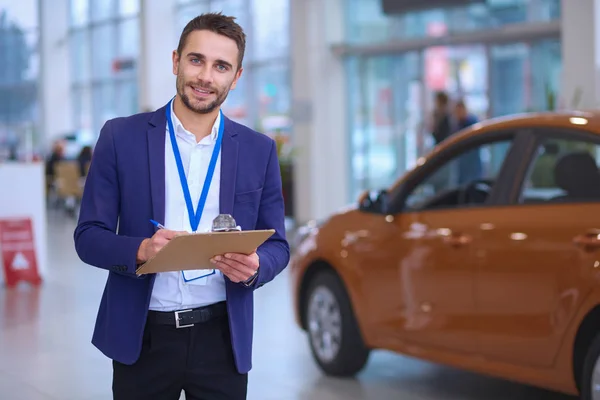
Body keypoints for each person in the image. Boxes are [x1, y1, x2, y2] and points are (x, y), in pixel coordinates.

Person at [74, 12, 290, 400]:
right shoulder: (120, 137)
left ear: (236, 77)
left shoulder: (259, 150)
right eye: (197, 60)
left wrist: (258, 267)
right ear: (176, 61)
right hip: (143, 338)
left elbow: (279, 246)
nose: (206, 76)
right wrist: (141, 250)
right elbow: (88, 237)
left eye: (221, 66)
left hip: (222, 339)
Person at [452, 99, 482, 185]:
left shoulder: (472, 124)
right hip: (463, 166)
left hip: (472, 166)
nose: (457, 114)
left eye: (459, 111)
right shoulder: (458, 125)